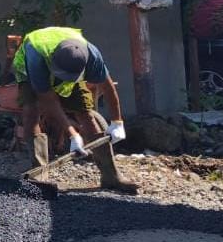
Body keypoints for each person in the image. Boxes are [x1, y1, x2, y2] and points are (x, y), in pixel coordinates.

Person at [13, 26, 137, 194]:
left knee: (86, 115)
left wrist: (117, 122)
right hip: (28, 68)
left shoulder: (92, 56)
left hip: (67, 66)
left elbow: (108, 88)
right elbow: (49, 100)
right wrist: (73, 134)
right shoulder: (37, 58)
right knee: (31, 112)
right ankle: (39, 176)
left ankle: (111, 176)